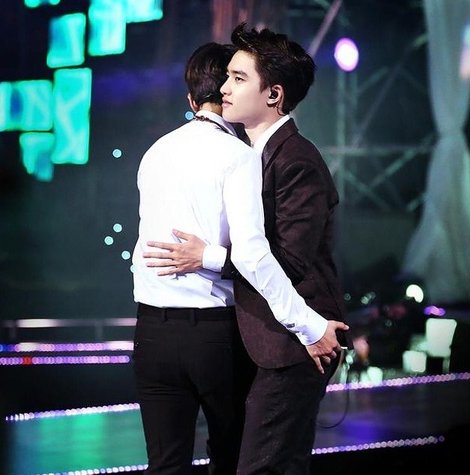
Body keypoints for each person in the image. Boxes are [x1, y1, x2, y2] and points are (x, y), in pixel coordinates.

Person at [132, 40, 349, 475]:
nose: (225, 89)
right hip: (253, 334)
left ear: (273, 94)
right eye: (227, 77)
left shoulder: (294, 159)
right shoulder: (246, 153)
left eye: (238, 78)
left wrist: (207, 256)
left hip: (287, 340)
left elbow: (286, 261)